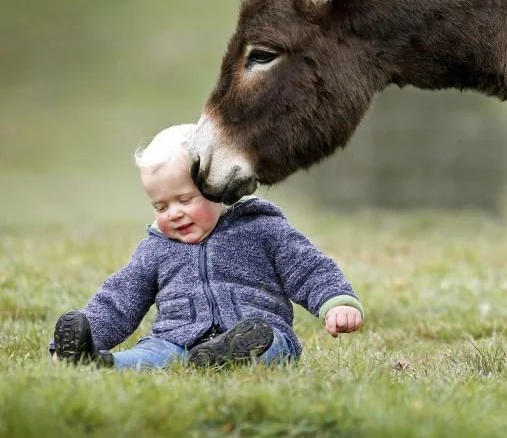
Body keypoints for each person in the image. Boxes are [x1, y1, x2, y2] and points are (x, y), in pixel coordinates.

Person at [49, 123, 364, 369]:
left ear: (217, 186)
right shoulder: (156, 249)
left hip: (258, 330)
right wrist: (91, 331)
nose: (173, 213)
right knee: (150, 356)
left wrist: (337, 303)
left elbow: (308, 267)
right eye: (160, 207)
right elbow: (119, 298)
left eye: (185, 199)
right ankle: (91, 359)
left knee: (270, 345)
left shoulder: (262, 228)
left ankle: (229, 354)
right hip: (176, 338)